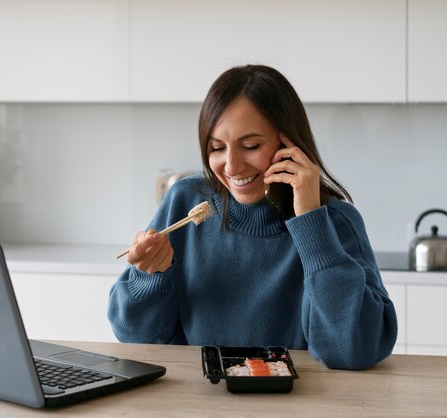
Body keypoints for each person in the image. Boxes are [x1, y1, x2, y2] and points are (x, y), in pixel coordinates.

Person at [107, 64, 397, 370]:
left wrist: (311, 221)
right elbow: (135, 336)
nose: (231, 167)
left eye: (250, 146)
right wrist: (149, 277)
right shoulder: (186, 200)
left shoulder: (335, 222)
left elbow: (355, 351)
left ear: (289, 145)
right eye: (217, 148)